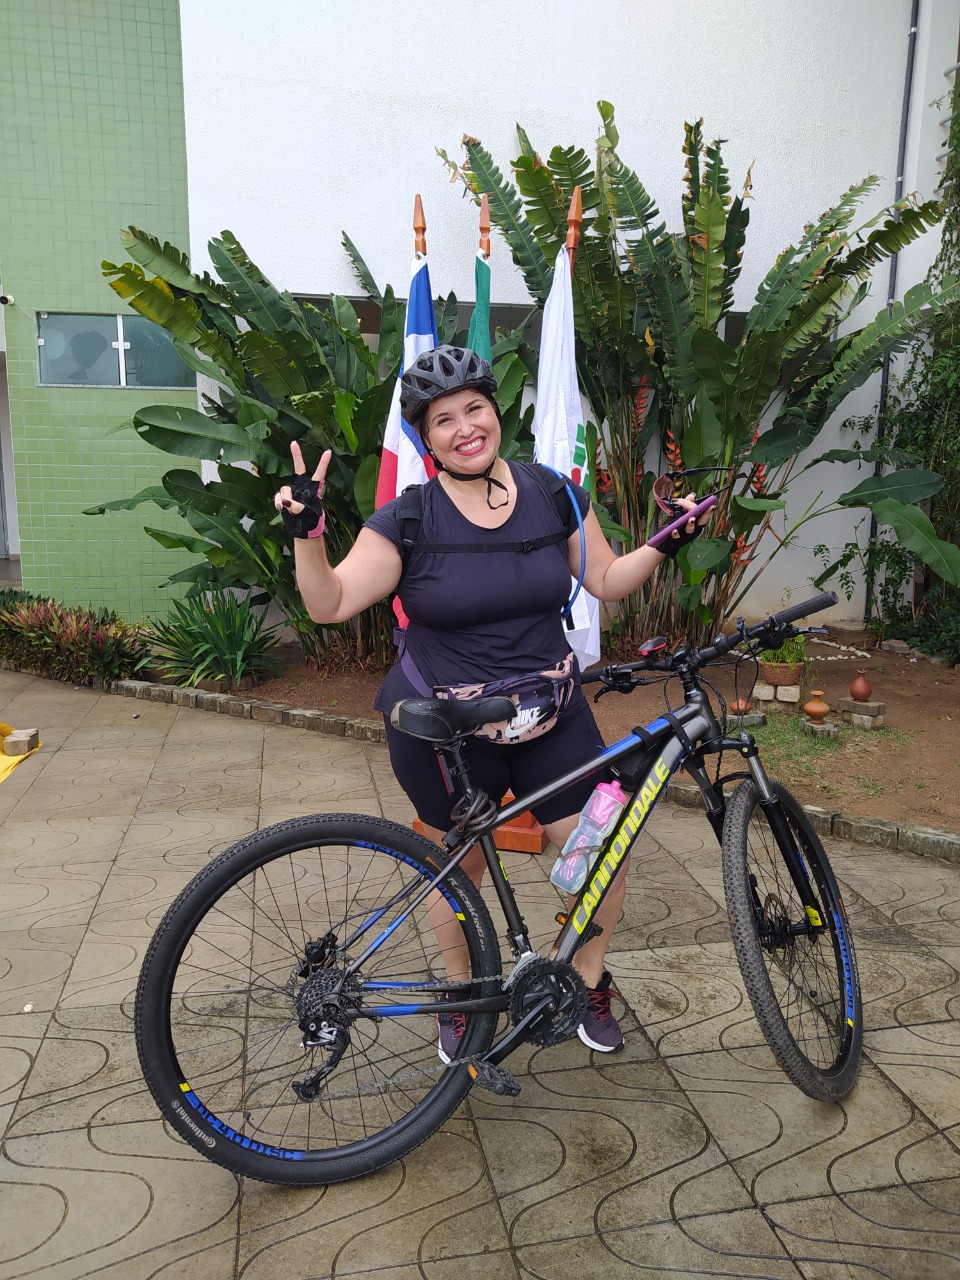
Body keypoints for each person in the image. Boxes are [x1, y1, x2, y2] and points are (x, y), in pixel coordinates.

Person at [273, 345, 707, 1058]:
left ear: (495, 412)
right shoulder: (408, 520)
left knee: (602, 848)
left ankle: (587, 981)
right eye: (443, 420)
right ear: (426, 438)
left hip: (550, 713)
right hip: (446, 726)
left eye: (474, 408)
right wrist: (308, 536)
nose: (464, 428)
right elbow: (330, 603)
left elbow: (606, 580)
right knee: (460, 868)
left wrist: (668, 540)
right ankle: (459, 995)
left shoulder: (553, 494)